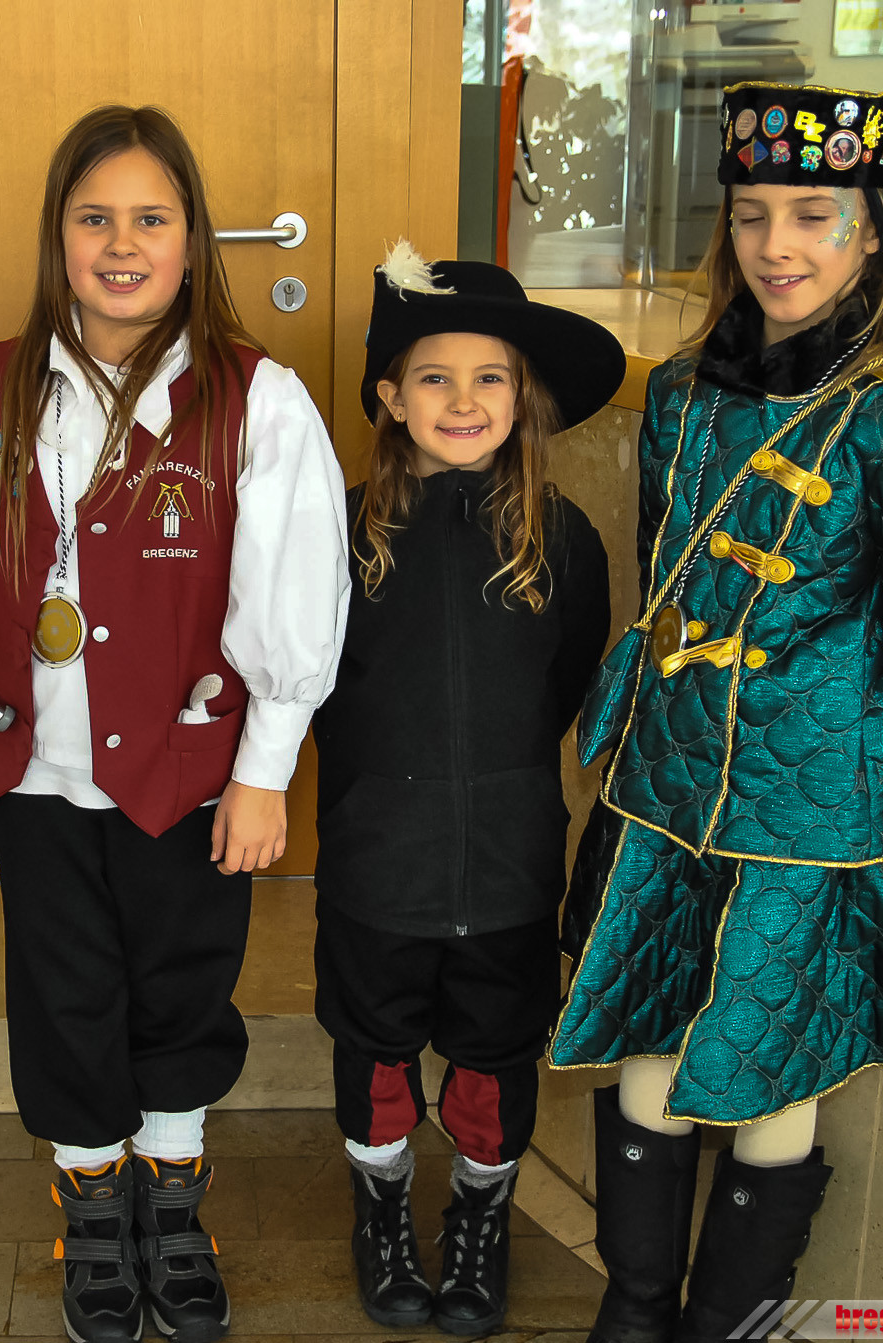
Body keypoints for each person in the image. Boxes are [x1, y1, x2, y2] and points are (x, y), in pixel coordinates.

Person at [0, 104, 349, 1343]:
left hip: (188, 769)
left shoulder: (256, 401)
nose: (121, 243)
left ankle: (173, 1196)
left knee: (180, 986)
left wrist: (264, 771)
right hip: (37, 766)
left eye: (149, 218)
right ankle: (93, 1203)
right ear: (56, 235)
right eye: (94, 217)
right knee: (63, 992)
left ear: (190, 239)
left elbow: (292, 593)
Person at [549, 81, 883, 1343]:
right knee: (647, 1022)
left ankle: (721, 1325)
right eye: (751, 215)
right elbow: (665, 576)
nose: (775, 245)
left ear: (871, 234)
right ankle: (633, 1304)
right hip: (666, 784)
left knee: (769, 1053)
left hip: (808, 803)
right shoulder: (684, 392)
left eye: (810, 215)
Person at [312, 244, 620, 1336]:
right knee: (378, 1055)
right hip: (376, 861)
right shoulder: (340, 532)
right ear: (390, 397)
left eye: (489, 377)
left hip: (506, 859)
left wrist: (496, 783)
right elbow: (308, 683)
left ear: (522, 396)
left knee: (494, 1057)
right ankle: (383, 1212)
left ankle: (481, 1219)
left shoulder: (561, 539)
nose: (462, 399)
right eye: (433, 377)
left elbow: (566, 679)